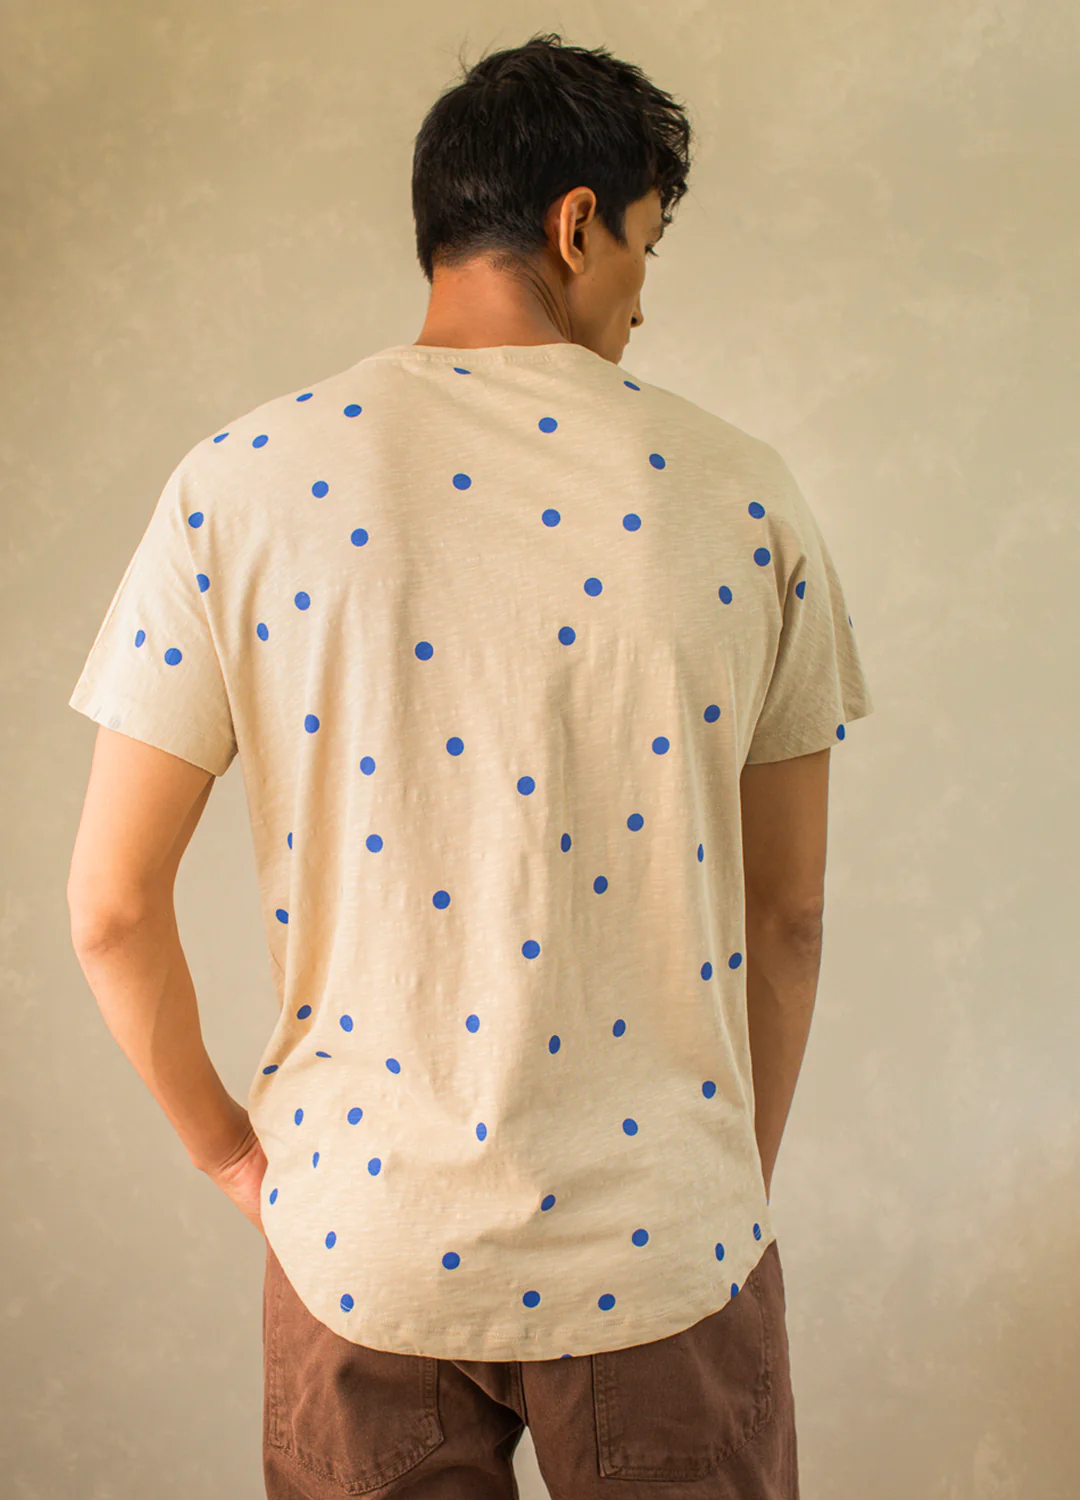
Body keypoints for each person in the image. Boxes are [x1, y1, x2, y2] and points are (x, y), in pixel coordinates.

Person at [66, 30, 873, 1500]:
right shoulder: (740, 497)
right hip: (664, 1244)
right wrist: (716, 1189)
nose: (643, 296)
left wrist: (233, 1160)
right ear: (578, 225)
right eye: (645, 246)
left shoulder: (239, 488)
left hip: (362, 1242)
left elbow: (110, 912)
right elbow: (791, 915)